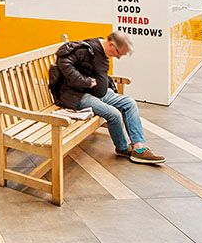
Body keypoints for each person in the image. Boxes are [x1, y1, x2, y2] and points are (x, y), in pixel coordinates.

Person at [49, 33, 164, 164]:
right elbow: (63, 62)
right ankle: (122, 148)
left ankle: (139, 148)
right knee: (114, 114)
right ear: (111, 45)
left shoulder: (103, 52)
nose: (118, 57)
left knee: (129, 103)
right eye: (118, 53)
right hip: (76, 96)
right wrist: (86, 82)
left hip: (99, 94)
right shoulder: (86, 49)